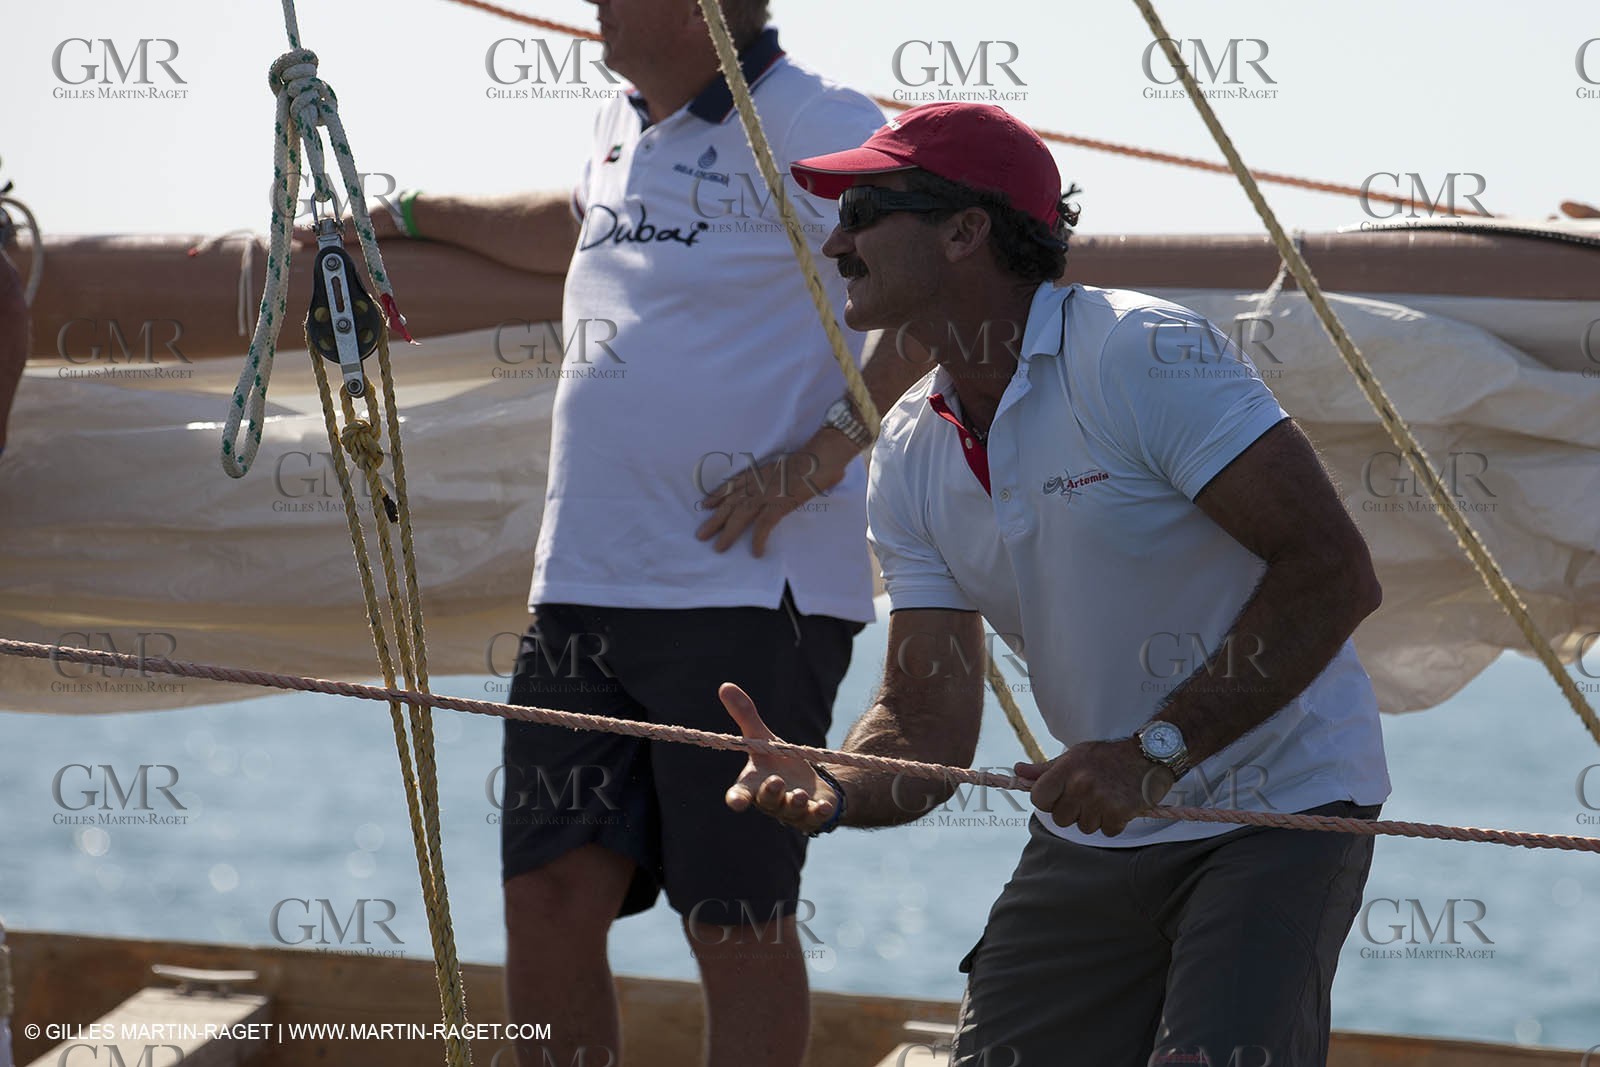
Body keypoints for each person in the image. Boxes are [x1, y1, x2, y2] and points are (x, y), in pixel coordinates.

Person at [723, 101, 1392, 1067]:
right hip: (1103, 819)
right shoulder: (909, 449)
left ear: (965, 230)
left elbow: (1334, 574)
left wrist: (1152, 752)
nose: (836, 241)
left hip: (1277, 806)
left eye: (866, 213)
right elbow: (923, 719)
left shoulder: (1136, 353)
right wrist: (829, 784)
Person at [403, 3, 931, 1066]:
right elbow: (570, 221)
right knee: (546, 890)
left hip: (749, 590)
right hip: (584, 585)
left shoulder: (819, 119)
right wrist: (405, 213)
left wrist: (823, 450)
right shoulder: (616, 123)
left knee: (733, 914)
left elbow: (934, 286)